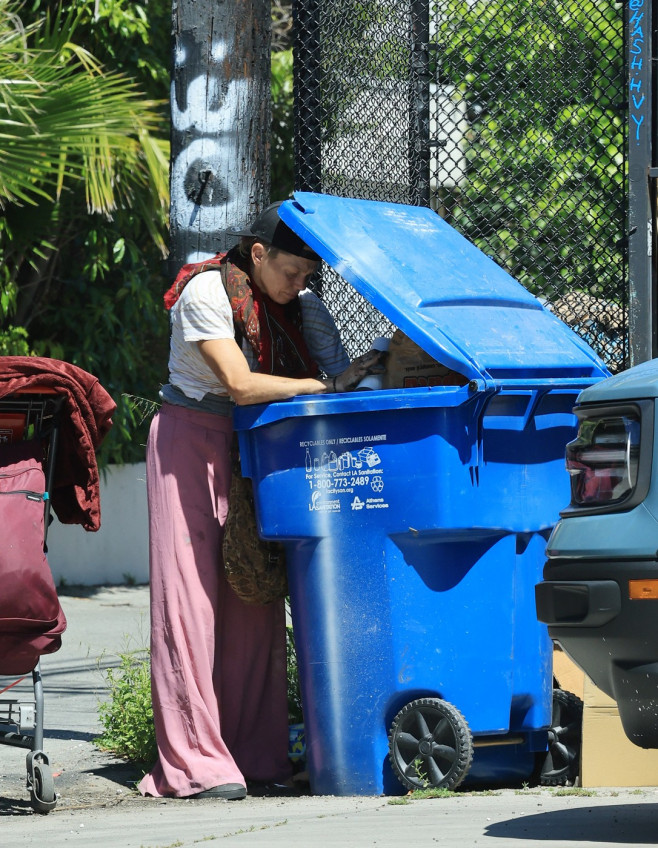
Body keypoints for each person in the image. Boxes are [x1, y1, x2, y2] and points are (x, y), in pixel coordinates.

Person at [138, 202, 385, 800]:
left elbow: (344, 378)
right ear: (257, 253)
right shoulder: (205, 291)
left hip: (260, 454)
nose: (299, 286)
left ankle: (254, 757)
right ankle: (195, 763)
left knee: (255, 600)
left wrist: (378, 363)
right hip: (191, 440)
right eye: (292, 272)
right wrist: (319, 387)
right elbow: (240, 384)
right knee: (190, 605)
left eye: (307, 277)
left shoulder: (303, 309)